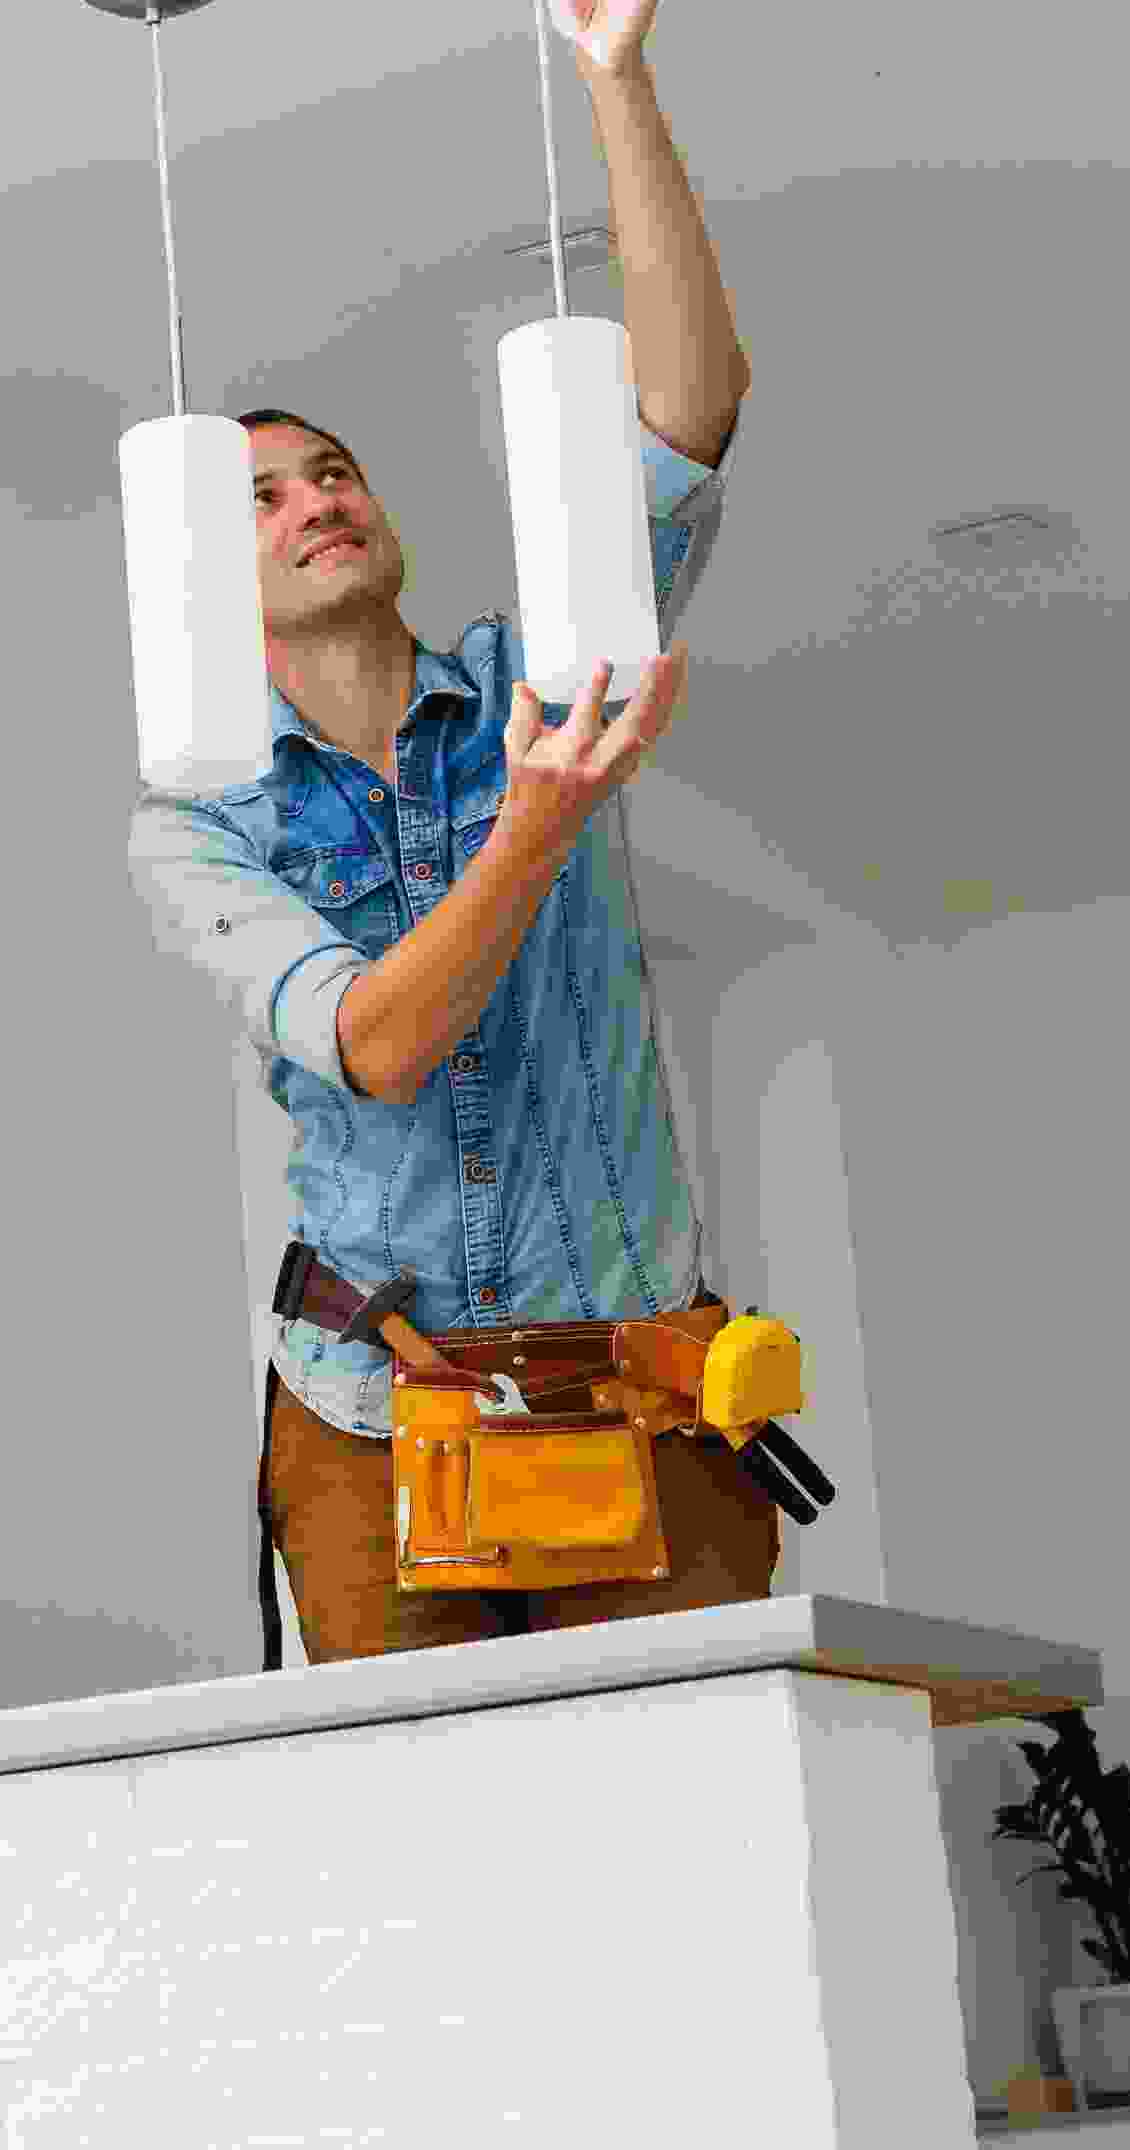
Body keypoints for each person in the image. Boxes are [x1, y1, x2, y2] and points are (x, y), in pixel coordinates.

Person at [128, 7, 775, 1666]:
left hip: (637, 1389)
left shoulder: (541, 676)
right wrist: (534, 828)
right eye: (261, 497)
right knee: (423, 1810)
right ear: (203, 582)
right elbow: (381, 1041)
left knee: (684, 1786)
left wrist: (615, 78)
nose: (316, 497)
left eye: (333, 471)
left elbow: (690, 412)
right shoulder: (195, 829)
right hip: (367, 1415)